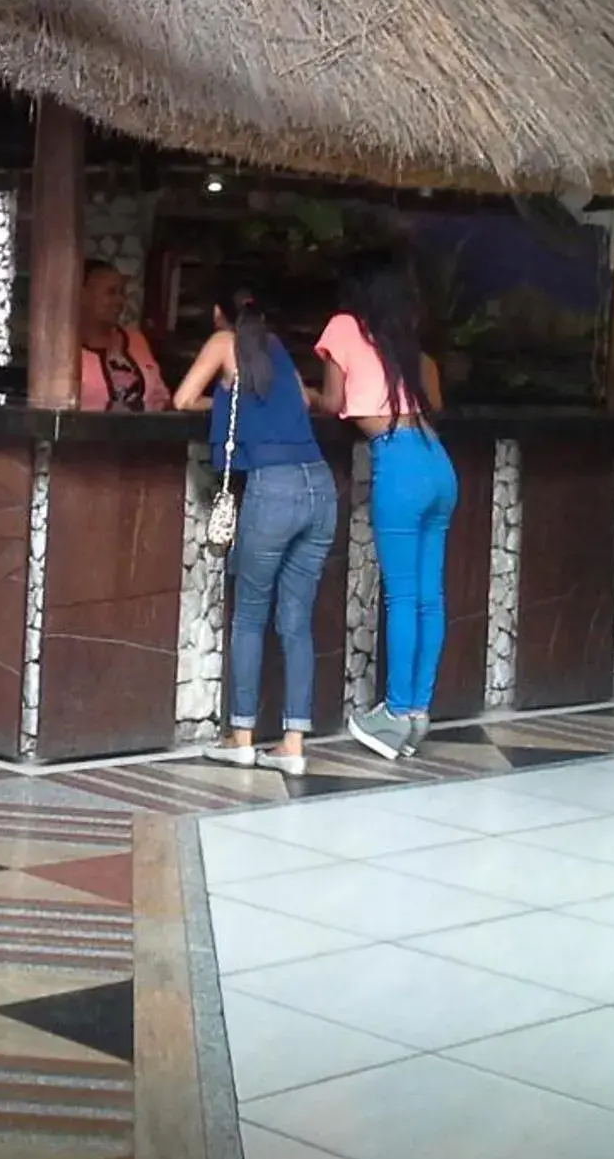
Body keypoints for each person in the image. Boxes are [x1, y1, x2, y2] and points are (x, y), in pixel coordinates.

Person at [174, 283, 338, 777]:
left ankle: (240, 737)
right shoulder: (276, 349)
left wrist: (225, 404)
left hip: (274, 489)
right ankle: (293, 745)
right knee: (296, 619)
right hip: (321, 487)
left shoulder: (223, 344)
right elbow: (304, 406)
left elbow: (183, 398)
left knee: (248, 616)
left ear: (220, 312)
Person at [318, 251, 455, 759]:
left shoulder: (341, 327)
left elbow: (333, 403)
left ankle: (394, 715)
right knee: (428, 596)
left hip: (398, 463)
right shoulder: (400, 338)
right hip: (437, 461)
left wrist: (310, 392)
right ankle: (417, 712)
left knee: (400, 597)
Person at [78, 258, 165, 410]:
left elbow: (160, 396)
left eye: (122, 292)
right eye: (111, 292)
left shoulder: (135, 340)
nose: (120, 300)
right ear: (82, 295)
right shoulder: (66, 349)